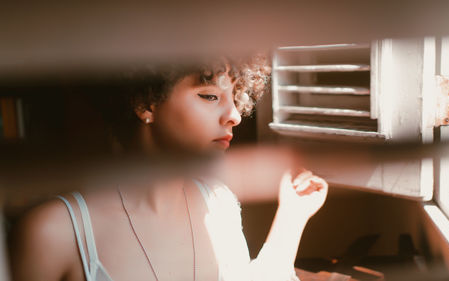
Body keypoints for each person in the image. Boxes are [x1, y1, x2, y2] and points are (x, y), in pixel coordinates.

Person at [9, 54, 328, 281]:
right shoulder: (54, 231)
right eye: (209, 96)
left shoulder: (219, 204)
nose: (234, 115)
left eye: (236, 97)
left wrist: (292, 216)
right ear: (145, 102)